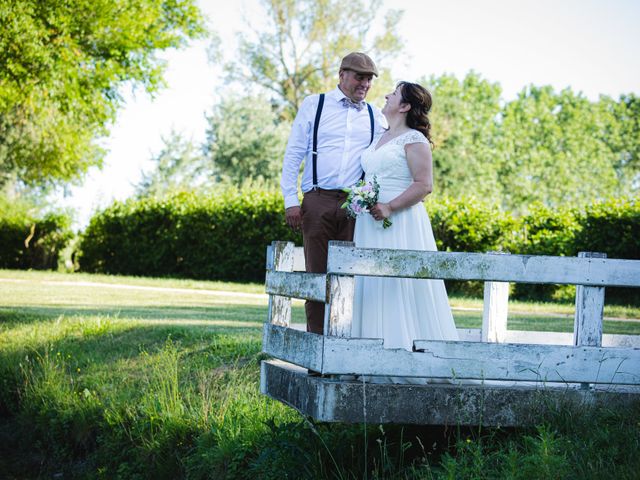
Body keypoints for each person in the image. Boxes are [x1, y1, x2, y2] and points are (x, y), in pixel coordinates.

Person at [351, 81, 459, 383]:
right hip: (370, 222)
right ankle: (366, 359)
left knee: (399, 284)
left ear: (405, 106)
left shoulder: (414, 140)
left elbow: (424, 185)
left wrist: (390, 207)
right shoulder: (380, 137)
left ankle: (405, 361)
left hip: (400, 221)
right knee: (370, 285)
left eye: (393, 93)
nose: (386, 95)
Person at [281, 52, 386, 335]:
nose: (364, 83)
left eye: (369, 79)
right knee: (317, 277)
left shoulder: (377, 115)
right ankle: (317, 345)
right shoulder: (315, 105)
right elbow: (293, 155)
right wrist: (291, 201)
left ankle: (342, 343)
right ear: (342, 75)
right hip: (317, 200)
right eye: (359, 77)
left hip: (356, 206)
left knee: (349, 278)